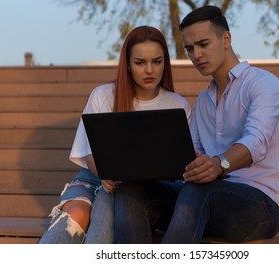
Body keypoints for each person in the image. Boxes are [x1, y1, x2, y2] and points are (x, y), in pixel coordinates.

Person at [114, 6, 279, 243]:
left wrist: (219, 164)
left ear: (226, 39)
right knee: (131, 192)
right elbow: (189, 158)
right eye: (189, 48)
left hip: (260, 206)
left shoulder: (264, 85)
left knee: (200, 190)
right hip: (203, 199)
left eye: (203, 44)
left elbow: (255, 142)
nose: (196, 54)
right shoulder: (203, 102)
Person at [39, 25, 191, 244]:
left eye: (157, 61)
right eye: (140, 62)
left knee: (107, 210)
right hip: (96, 176)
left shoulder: (178, 105)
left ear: (165, 62)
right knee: (75, 218)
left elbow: (179, 163)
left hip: (140, 190)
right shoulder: (103, 95)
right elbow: (88, 152)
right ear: (127, 64)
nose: (150, 70)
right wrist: (104, 172)